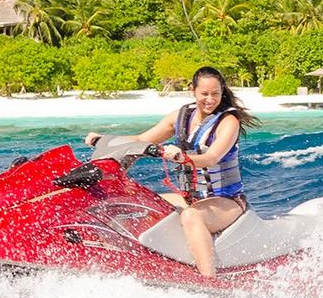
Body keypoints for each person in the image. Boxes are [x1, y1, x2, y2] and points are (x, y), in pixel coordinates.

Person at [86, 67, 257, 278]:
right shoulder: (181, 117)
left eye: (215, 94)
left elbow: (211, 158)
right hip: (190, 198)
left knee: (192, 216)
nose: (210, 99)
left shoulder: (229, 122)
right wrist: (104, 139)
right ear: (192, 90)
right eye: (204, 94)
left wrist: (182, 158)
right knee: (137, 203)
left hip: (226, 200)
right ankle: (133, 264)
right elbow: (142, 139)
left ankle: (208, 278)